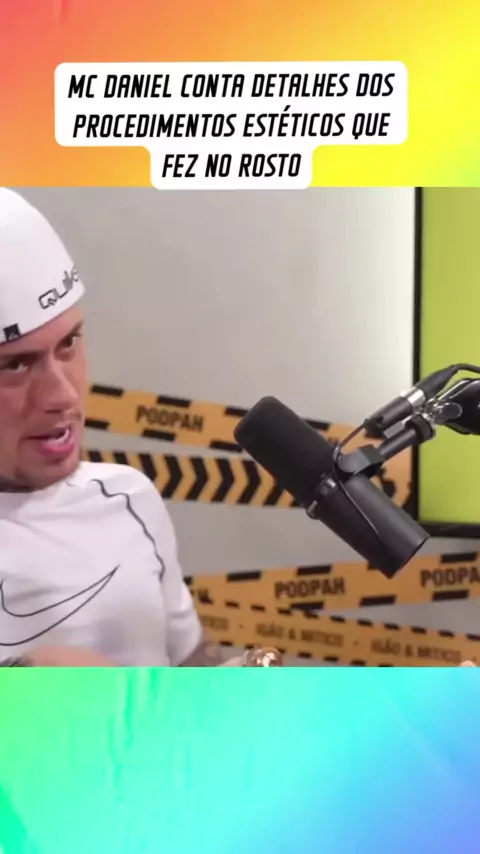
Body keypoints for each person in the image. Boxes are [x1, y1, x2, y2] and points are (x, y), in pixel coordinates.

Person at [0, 188, 242, 667]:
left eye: (69, 344)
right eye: (15, 366)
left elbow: (190, 664)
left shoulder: (129, 498)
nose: (63, 395)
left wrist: (227, 687)